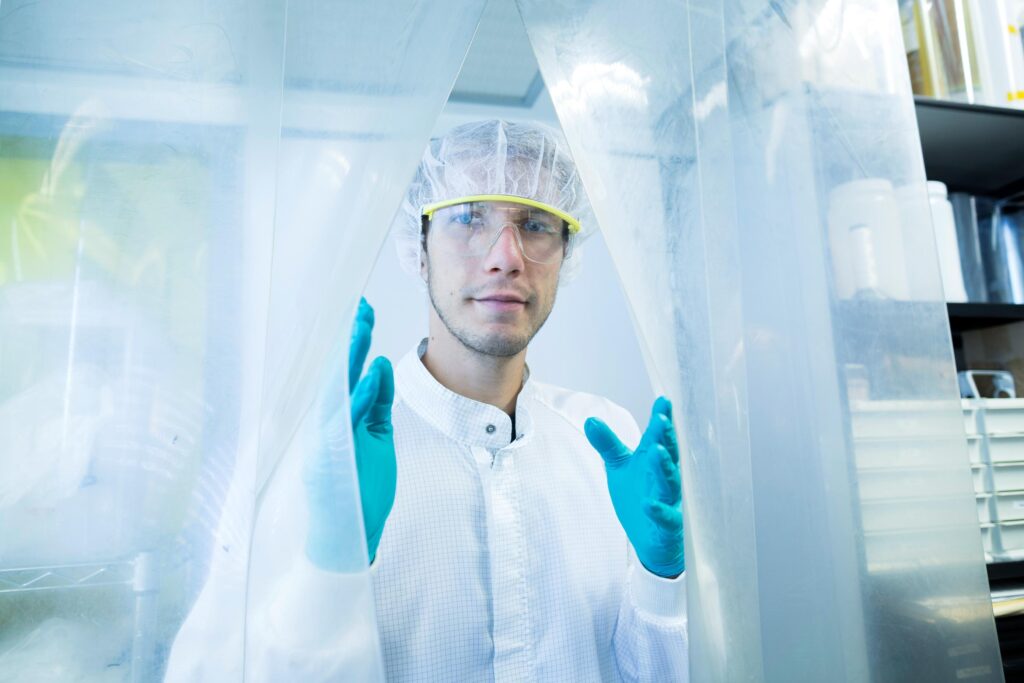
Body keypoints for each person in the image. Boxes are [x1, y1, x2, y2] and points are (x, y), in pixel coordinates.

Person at [167, 119, 687, 682]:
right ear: (419, 250)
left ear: (566, 253)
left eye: (535, 224)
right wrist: (330, 570)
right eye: (467, 218)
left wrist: (663, 580)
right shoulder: (316, 451)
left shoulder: (609, 441)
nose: (506, 256)